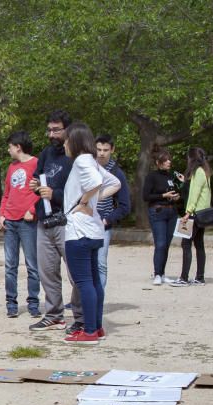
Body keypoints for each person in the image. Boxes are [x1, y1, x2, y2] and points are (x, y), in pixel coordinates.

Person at [61, 123, 121, 345]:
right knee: (94, 281)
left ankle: (89, 332)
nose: (65, 144)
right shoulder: (92, 161)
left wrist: (84, 202)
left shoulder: (81, 160)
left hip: (80, 231)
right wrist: (94, 201)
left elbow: (96, 183)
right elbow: (114, 183)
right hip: (93, 230)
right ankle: (96, 327)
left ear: (74, 141)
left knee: (84, 282)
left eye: (67, 140)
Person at [28, 110, 82, 333]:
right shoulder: (46, 153)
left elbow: (82, 192)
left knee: (76, 272)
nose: (51, 134)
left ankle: (80, 316)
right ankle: (54, 315)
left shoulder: (77, 156)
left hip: (67, 221)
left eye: (56, 130)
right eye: (49, 129)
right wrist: (35, 187)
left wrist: (55, 194)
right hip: (45, 220)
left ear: (67, 130)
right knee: (47, 271)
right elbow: (38, 177)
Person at [0, 130, 41, 318]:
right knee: (10, 265)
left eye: (10, 147)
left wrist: (32, 209)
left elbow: (41, 190)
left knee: (32, 264)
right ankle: (11, 303)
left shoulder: (36, 164)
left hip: (27, 223)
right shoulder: (11, 167)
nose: (8, 150)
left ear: (18, 147)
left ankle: (33, 302)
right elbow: (7, 193)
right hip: (10, 221)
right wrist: (2, 215)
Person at [94, 134, 132, 288]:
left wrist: (107, 219)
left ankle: (99, 300)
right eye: (98, 149)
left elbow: (125, 206)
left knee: (100, 263)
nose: (101, 153)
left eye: (105, 150)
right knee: (82, 265)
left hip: (103, 224)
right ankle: (80, 301)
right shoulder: (86, 167)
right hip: (83, 221)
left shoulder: (117, 173)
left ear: (112, 150)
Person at [172, 147, 213, 286]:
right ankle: (200, 277)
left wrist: (188, 212)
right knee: (199, 245)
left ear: (192, 159)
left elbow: (194, 194)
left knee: (186, 244)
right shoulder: (205, 172)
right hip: (202, 213)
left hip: (194, 214)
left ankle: (184, 278)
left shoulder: (197, 173)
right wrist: (185, 182)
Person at [142, 146, 181, 285]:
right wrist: (163, 195)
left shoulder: (171, 177)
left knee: (167, 244)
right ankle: (157, 274)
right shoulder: (152, 176)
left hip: (171, 212)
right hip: (157, 212)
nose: (169, 162)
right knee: (160, 243)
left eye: (169, 159)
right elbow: (146, 196)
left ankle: (163, 273)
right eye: (165, 160)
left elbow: (175, 192)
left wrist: (175, 196)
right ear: (158, 163)